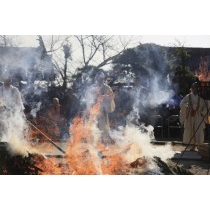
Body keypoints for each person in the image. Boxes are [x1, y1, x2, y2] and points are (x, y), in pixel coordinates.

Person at [180, 82, 208, 151]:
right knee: (190, 130)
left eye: (196, 87)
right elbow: (182, 104)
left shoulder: (201, 97)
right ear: (191, 88)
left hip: (198, 116)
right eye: (193, 87)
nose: (194, 89)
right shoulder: (188, 96)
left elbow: (206, 106)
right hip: (190, 116)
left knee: (198, 130)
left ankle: (198, 146)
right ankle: (192, 146)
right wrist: (186, 106)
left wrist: (203, 113)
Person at [92, 71, 115, 145]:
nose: (100, 80)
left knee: (104, 128)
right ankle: (93, 146)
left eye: (101, 79)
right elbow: (89, 97)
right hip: (94, 111)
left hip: (103, 111)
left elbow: (111, 96)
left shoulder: (107, 87)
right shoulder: (93, 87)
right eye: (98, 78)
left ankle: (105, 146)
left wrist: (104, 97)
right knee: (93, 128)